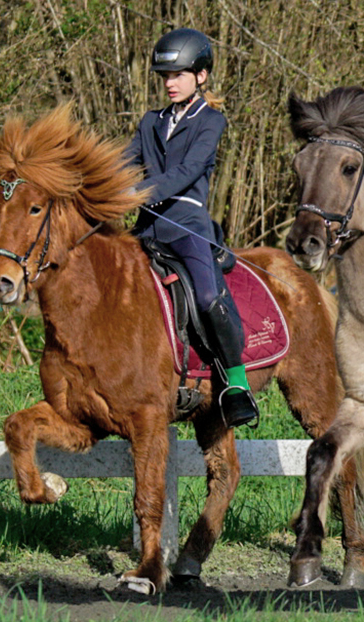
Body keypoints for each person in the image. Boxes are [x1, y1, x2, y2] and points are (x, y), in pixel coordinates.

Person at [127, 28, 258, 428]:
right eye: (165, 77)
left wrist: (136, 192)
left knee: (206, 297)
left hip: (187, 227)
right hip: (145, 229)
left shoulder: (211, 121)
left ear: (201, 75)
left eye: (179, 75)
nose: (169, 83)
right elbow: (124, 159)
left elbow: (186, 172)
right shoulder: (150, 122)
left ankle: (237, 384)